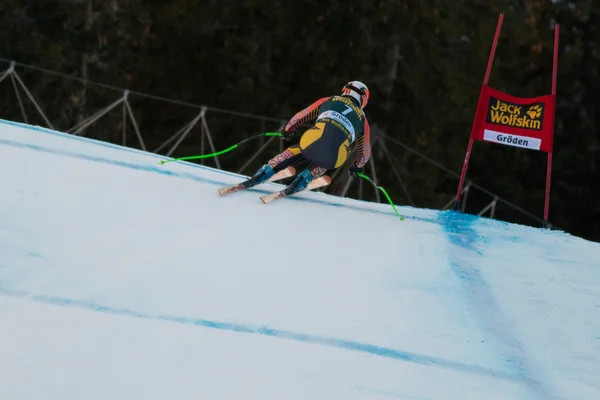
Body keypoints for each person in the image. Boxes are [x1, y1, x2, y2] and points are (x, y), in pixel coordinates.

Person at [248, 80, 372, 194]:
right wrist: (357, 167)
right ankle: (304, 179)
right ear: (363, 99)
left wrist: (288, 131)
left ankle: (267, 170)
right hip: (335, 158)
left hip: (312, 141)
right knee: (333, 151)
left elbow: (301, 116)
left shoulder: (329, 100)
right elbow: (365, 153)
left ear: (345, 90)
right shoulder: (364, 121)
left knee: (301, 147)